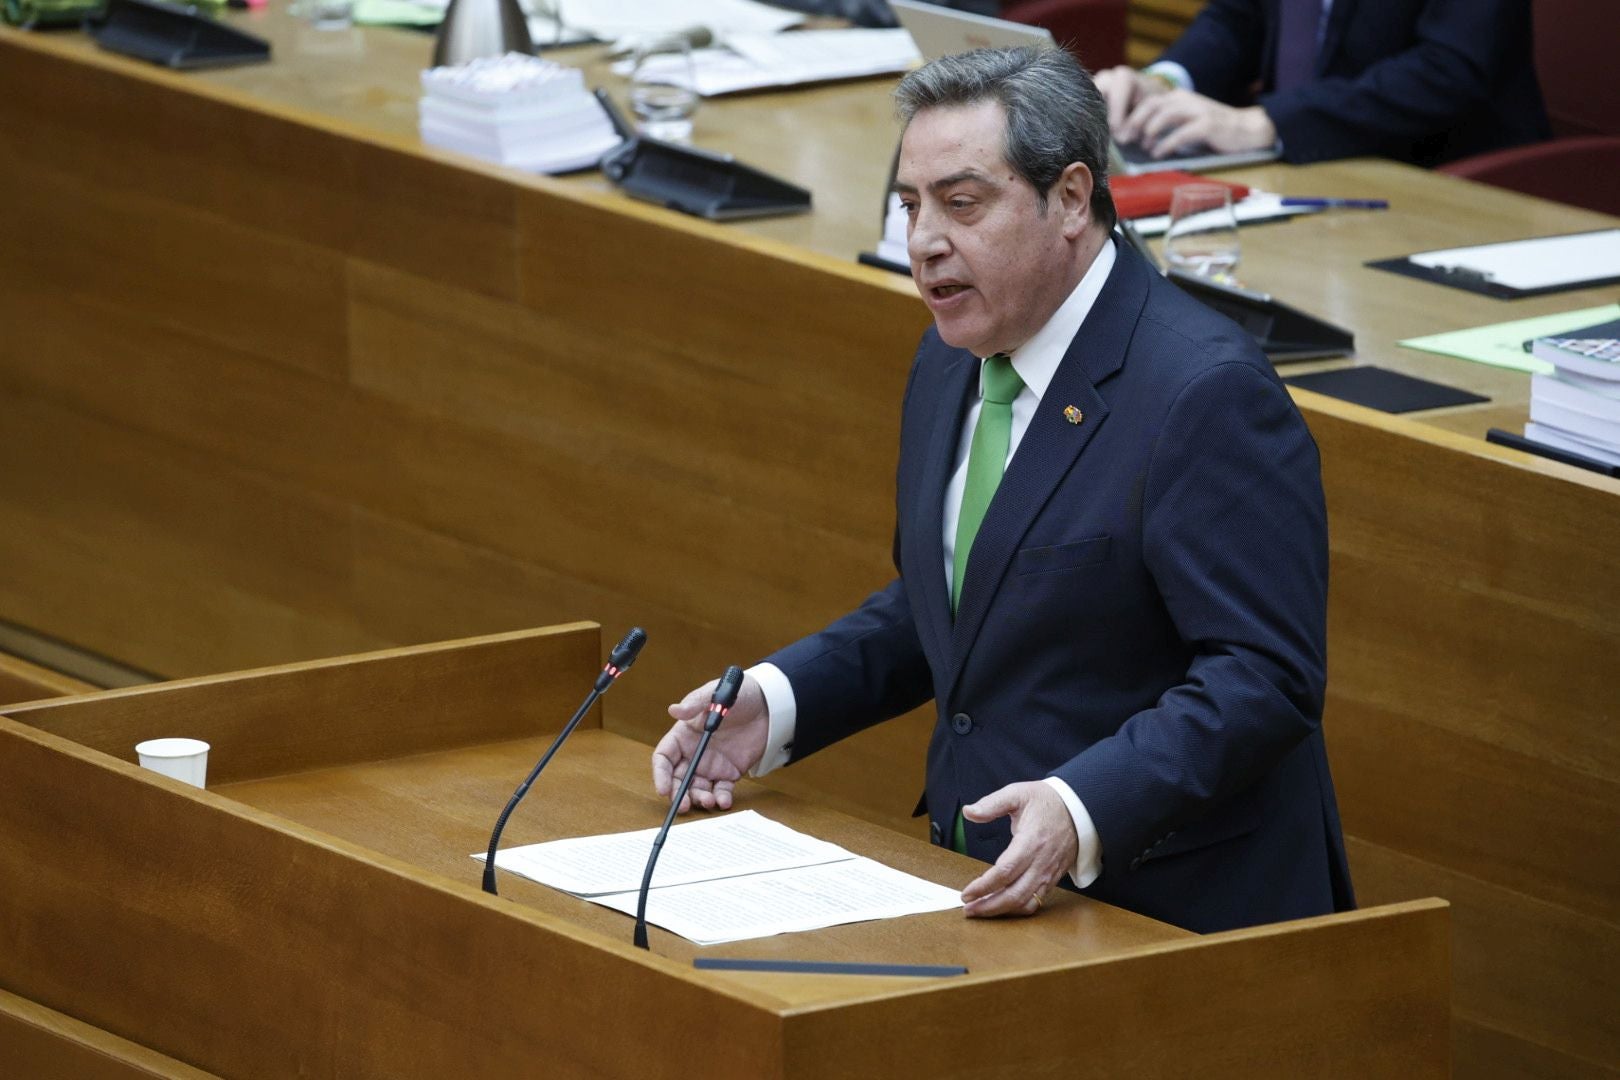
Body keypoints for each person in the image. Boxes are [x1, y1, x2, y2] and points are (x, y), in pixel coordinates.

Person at [651, 45, 1354, 934]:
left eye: (961, 203)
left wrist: (1083, 804)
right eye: (910, 205)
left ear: (1068, 198)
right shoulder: (955, 355)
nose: (923, 241)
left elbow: (1265, 679)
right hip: (993, 898)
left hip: (1175, 918)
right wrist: (777, 701)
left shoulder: (1203, 393)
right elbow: (955, 604)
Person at [1094, 0, 1550, 167]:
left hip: (1452, 184)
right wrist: (1162, 82)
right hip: (1303, 175)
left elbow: (1447, 69)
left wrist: (1267, 125)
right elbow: (1238, 19)